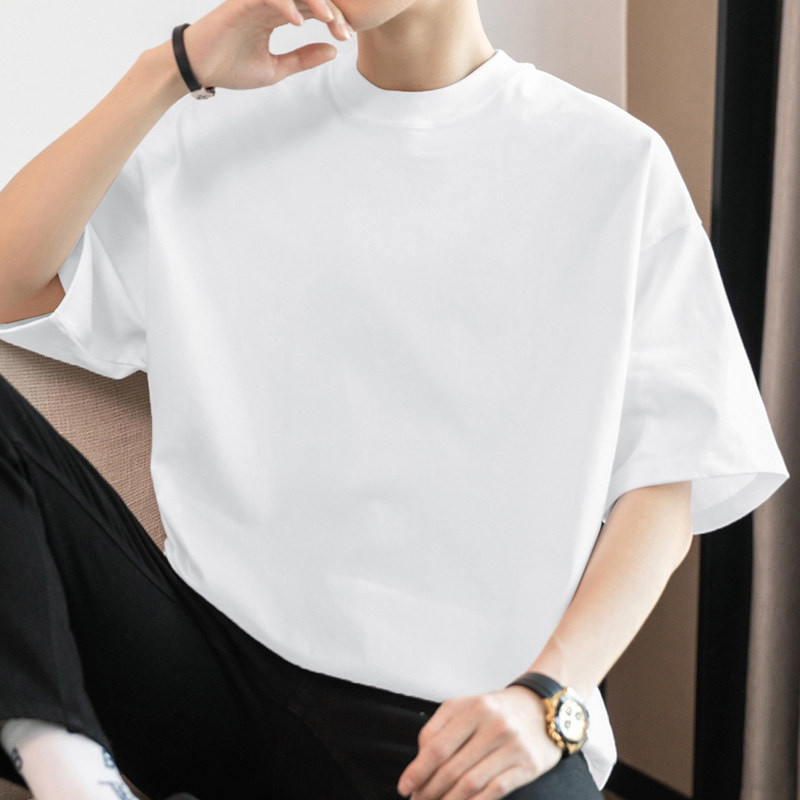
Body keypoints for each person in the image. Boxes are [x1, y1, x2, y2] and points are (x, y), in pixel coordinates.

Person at [0, 0, 789, 798]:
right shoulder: (213, 136)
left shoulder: (614, 168)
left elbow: (665, 485)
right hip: (205, 667)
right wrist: (169, 69)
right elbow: (10, 282)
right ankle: (63, 761)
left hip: (454, 725)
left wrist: (549, 696)